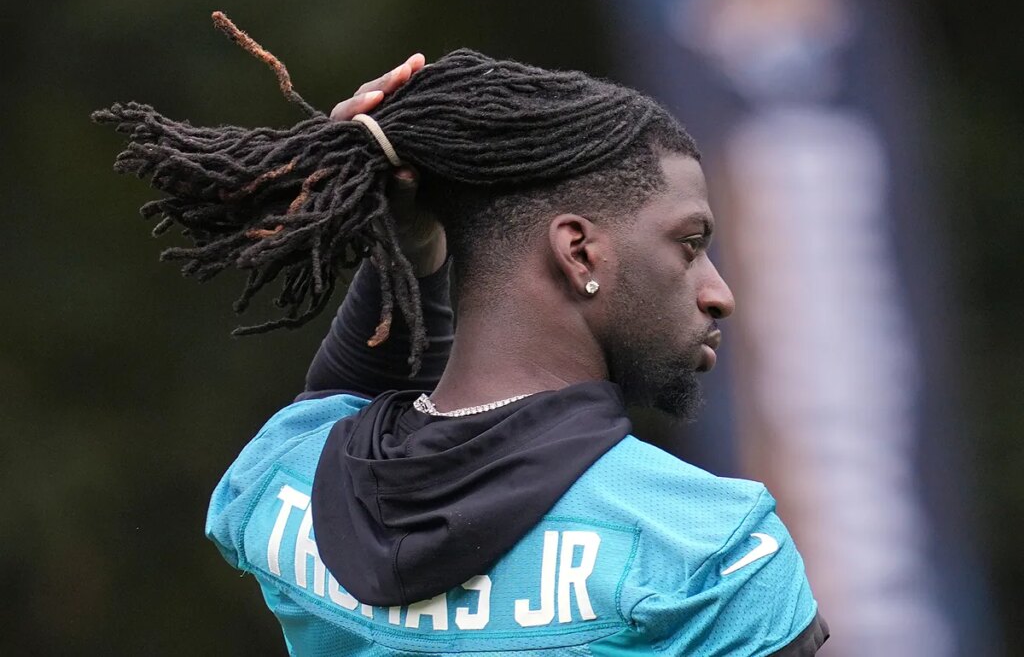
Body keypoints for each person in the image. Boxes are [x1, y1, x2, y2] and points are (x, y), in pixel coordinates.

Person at [99, 32, 828, 655]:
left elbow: (333, 402)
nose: (718, 291)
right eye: (689, 244)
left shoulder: (279, 488)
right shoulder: (711, 553)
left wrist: (404, 251)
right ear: (579, 251)